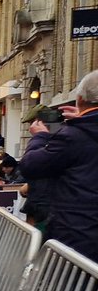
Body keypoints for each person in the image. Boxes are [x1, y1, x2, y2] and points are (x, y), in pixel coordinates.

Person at [20, 71, 98, 261]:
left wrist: (40, 137)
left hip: (79, 235)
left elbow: (31, 166)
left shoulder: (73, 136)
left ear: (79, 98)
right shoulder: (76, 132)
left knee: (73, 289)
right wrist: (81, 119)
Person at [19, 104, 64, 227]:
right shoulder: (61, 138)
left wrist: (40, 136)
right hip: (45, 205)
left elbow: (30, 165)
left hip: (44, 208)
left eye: (31, 123)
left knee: (38, 243)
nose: (30, 128)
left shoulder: (50, 140)